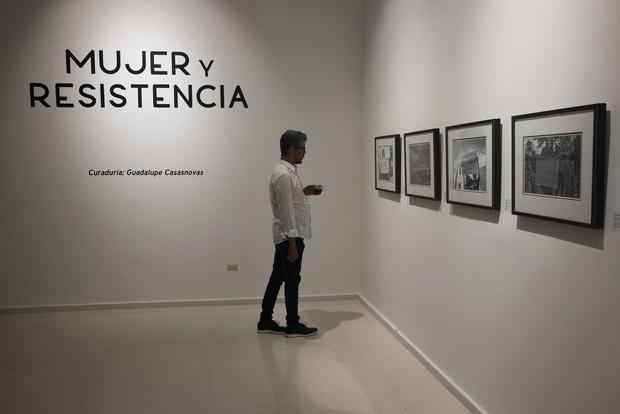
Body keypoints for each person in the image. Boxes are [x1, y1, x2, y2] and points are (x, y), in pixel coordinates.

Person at [257, 130, 323, 338]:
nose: (305, 153)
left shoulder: (286, 171)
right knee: (292, 279)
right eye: (302, 149)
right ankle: (292, 324)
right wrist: (293, 244)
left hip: (285, 236)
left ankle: (265, 320)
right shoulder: (284, 174)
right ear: (292, 149)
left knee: (277, 277)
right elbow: (286, 211)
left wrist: (305, 192)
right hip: (289, 238)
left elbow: (289, 201)